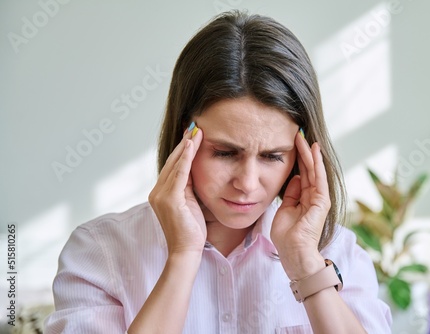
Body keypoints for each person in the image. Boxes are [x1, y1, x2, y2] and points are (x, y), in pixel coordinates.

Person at [45, 10, 392, 333]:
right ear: (186, 136)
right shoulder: (99, 252)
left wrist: (305, 266)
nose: (247, 184)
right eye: (225, 153)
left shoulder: (339, 252)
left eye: (272, 156)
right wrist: (182, 257)